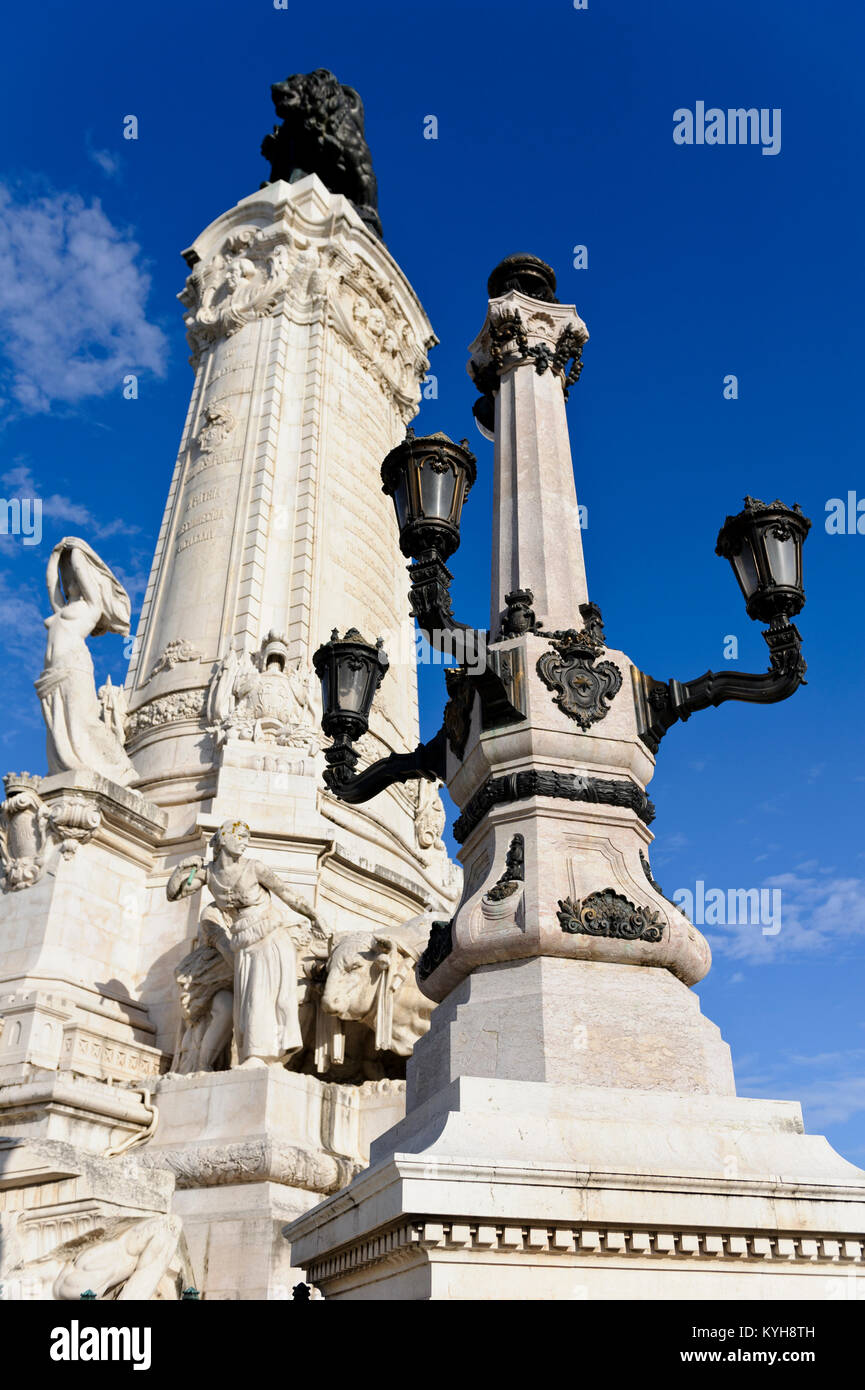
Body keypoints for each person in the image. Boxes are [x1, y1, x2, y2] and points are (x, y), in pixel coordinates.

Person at [167, 820, 329, 1067]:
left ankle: (261, 1056)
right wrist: (182, 868)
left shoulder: (255, 868)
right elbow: (175, 893)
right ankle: (253, 1055)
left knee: (268, 997)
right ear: (223, 839)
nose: (245, 841)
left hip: (271, 936)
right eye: (240, 836)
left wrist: (315, 916)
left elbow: (288, 894)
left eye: (247, 837)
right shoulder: (209, 873)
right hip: (243, 942)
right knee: (249, 1001)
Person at [36, 537, 136, 785]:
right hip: (53, 673)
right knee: (58, 727)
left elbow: (82, 570)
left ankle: (119, 769)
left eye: (74, 577)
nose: (70, 579)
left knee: (84, 721)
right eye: (68, 577)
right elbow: (51, 585)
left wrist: (78, 550)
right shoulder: (62, 608)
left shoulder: (91, 607)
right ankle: (66, 768)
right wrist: (56, 554)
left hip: (75, 667)